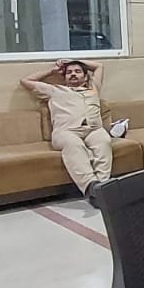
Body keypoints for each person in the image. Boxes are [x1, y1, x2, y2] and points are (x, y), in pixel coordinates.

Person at [21, 58, 111, 194]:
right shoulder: (54, 90)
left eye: (77, 71)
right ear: (64, 78)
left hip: (93, 130)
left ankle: (103, 187)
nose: (73, 74)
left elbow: (99, 66)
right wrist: (52, 71)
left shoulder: (93, 88)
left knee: (104, 140)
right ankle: (91, 187)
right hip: (66, 132)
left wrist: (72, 60)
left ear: (86, 76)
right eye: (69, 72)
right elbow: (25, 81)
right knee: (74, 145)